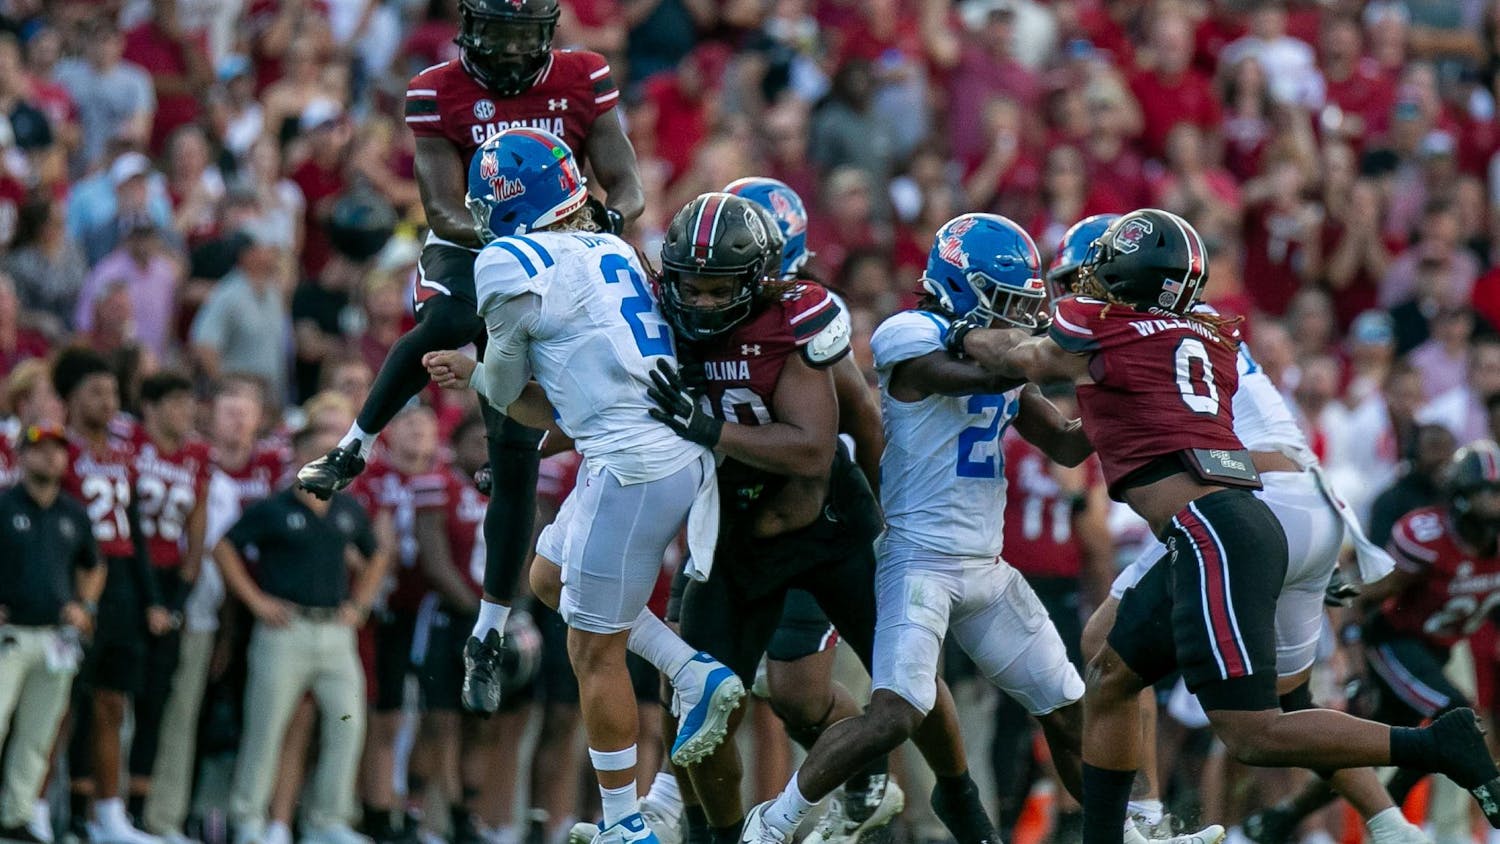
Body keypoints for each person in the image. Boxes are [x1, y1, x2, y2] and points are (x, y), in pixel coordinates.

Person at [932, 208, 1500, 844]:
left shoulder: (1103, 325)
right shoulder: (1208, 336)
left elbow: (1027, 357)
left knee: (1251, 730)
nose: (1072, 289)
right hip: (1282, 505)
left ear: (1116, 272)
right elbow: (1093, 430)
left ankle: (1431, 747)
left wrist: (956, 335)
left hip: (1220, 522)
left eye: (1083, 274)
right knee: (1115, 668)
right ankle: (1376, 822)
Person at [296, 0, 648, 721]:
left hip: (558, 251)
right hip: (475, 248)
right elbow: (441, 206)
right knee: (452, 317)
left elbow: (626, 179)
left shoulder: (583, 76)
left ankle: (487, 636)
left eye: (526, 37)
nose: (513, 53)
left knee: (516, 458)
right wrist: (509, 238)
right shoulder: (438, 88)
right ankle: (352, 446)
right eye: (500, 35)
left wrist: (607, 218)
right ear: (470, 30)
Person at [421, 127, 725, 844]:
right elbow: (550, 406)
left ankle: (625, 824)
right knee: (548, 575)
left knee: (594, 651)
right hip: (662, 450)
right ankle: (691, 670)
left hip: (630, 467)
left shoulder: (508, 259)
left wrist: (476, 375)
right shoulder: (612, 248)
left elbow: (502, 389)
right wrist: (485, 379)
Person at [717, 176, 898, 844]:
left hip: (814, 518)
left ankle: (882, 778)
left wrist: (891, 517)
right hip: (737, 520)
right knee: (719, 685)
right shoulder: (699, 310)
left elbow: (862, 423)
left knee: (805, 690)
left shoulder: (804, 317)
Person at [1241, 441, 1500, 843]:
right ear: (1463, 495)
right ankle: (1486, 799)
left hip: (1436, 652)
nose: (1497, 504)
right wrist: (1354, 657)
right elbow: (1362, 597)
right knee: (1457, 714)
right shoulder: (1430, 537)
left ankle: (1282, 817)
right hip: (1394, 644)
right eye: (1490, 492)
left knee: (1363, 752)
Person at [215, 423, 392, 844]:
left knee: (347, 723)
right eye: (316, 453)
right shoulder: (273, 508)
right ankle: (249, 820)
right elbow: (224, 547)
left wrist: (360, 603)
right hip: (285, 629)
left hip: (334, 630)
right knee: (266, 728)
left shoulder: (347, 509)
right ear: (296, 457)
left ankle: (326, 820)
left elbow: (377, 555)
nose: (326, 461)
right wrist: (256, 601)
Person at [54, 347, 170, 844]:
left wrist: (150, 597)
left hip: (121, 580)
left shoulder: (124, 454)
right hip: (76, 577)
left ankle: (107, 812)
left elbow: (138, 532)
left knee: (111, 701)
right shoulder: (59, 450)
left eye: (113, 392)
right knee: (64, 702)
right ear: (71, 398)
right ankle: (56, 810)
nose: (108, 402)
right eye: (96, 392)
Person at [0, 424, 103, 844]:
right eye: (41, 450)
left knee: (39, 733)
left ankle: (15, 813)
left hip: (56, 637)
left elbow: (93, 564)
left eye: (59, 450)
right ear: (22, 454)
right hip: (9, 634)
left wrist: (87, 605)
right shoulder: (4, 505)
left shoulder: (73, 513)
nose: (51, 458)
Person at [121, 372, 212, 830]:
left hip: (171, 583)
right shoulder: (130, 443)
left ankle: (136, 816)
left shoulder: (197, 457)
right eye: (175, 402)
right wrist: (150, 600)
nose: (186, 412)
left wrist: (174, 602)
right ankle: (98, 808)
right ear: (151, 407)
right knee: (113, 697)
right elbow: (129, 521)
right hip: (127, 581)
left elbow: (196, 538)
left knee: (156, 705)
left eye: (188, 402)